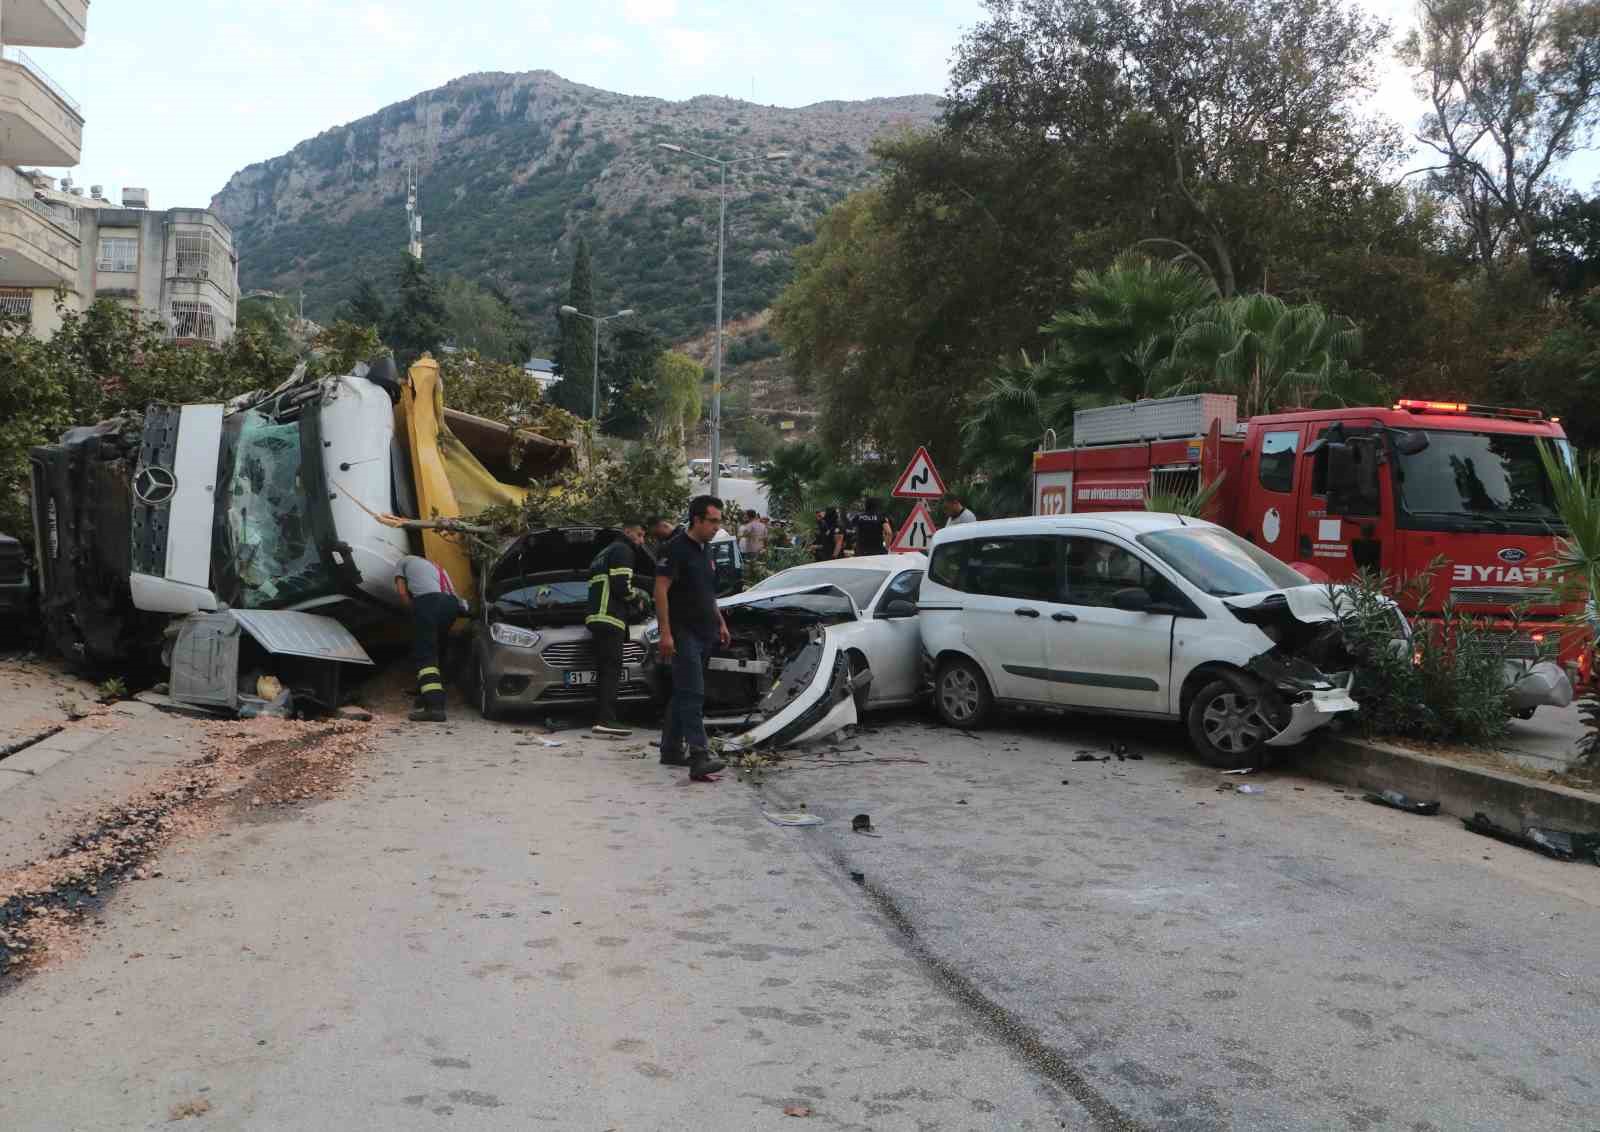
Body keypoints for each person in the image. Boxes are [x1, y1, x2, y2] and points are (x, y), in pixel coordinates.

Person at [654, 495, 731, 781]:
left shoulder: (705, 551)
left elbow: (708, 593)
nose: (716, 527)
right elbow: (660, 590)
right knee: (693, 693)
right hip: (682, 632)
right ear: (696, 520)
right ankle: (699, 756)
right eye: (712, 521)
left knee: (683, 691)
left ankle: (671, 749)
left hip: (705, 631)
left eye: (718, 521)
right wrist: (665, 633)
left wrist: (720, 622)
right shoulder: (674, 549)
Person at [586, 522, 649, 738]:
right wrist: (638, 600)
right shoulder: (623, 550)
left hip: (596, 616)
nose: (641, 541)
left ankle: (600, 716)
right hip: (611, 617)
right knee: (612, 670)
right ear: (627, 531)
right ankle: (607, 720)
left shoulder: (602, 553)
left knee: (604, 669)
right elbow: (622, 585)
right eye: (639, 535)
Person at [394, 553, 468, 723]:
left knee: (424, 655)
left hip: (428, 602)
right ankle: (425, 693)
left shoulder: (403, 562)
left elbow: (403, 594)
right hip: (451, 605)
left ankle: (435, 708)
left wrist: (413, 613)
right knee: (437, 648)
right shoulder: (436, 566)